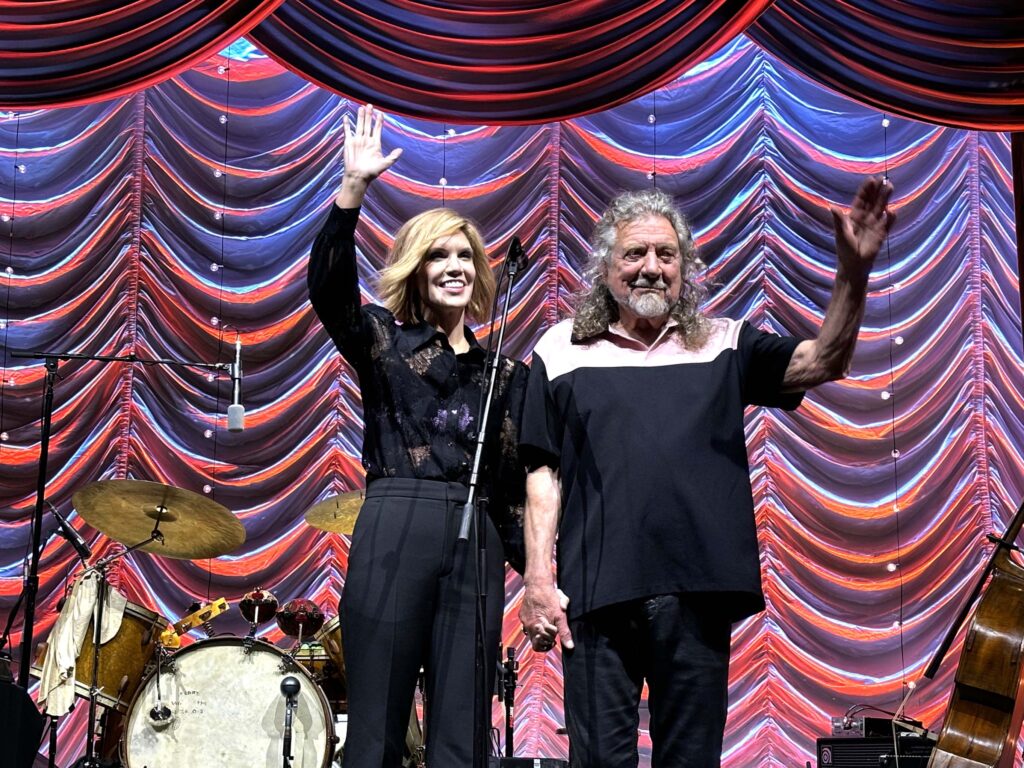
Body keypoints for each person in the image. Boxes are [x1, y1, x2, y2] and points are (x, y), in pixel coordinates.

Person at [518, 179, 894, 766]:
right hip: (596, 594)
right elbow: (543, 474)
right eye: (635, 253)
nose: (651, 268)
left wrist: (854, 271)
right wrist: (538, 580)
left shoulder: (724, 342)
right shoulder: (560, 349)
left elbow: (825, 360)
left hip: (697, 593)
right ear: (605, 267)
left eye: (666, 255)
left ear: (684, 268)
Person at [308, 104, 528, 767]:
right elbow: (328, 291)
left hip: (477, 534)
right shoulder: (383, 339)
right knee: (375, 729)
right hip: (394, 523)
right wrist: (352, 191)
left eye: (465, 255)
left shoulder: (505, 372)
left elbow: (512, 491)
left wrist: (545, 580)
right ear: (415, 268)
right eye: (438, 255)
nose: (455, 266)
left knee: (463, 734)